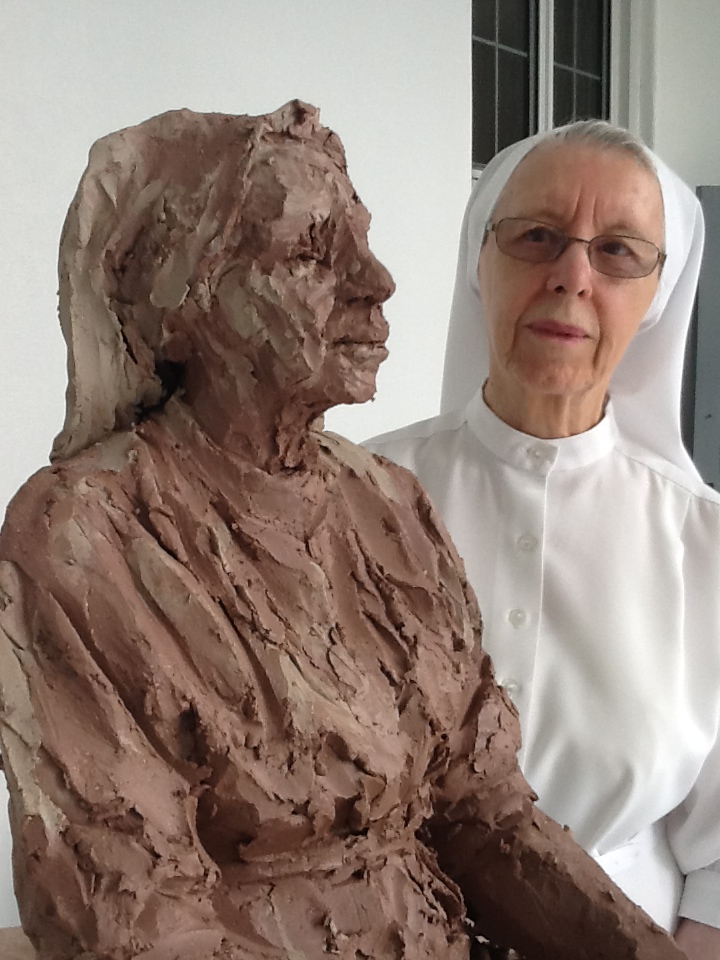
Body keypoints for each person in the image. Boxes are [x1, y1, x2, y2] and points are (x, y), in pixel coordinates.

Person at [0, 105, 682, 960]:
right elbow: (137, 918)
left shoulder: (387, 503)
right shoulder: (82, 535)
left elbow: (485, 816)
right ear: (180, 300)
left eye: (360, 242)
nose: (376, 281)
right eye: (311, 253)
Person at [367, 120, 720, 960]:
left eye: (619, 251)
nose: (572, 276)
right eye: (536, 236)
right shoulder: (353, 497)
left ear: (658, 292)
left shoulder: (704, 540)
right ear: (478, 260)